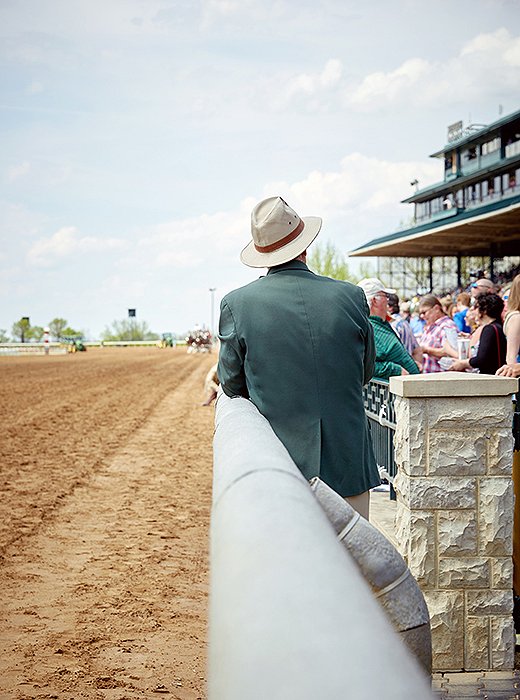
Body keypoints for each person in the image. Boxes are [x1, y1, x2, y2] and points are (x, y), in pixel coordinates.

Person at [218, 196, 380, 520]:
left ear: (262, 254)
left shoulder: (236, 304)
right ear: (305, 246)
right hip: (349, 462)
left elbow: (232, 385)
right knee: (357, 565)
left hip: (281, 463)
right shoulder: (351, 295)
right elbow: (366, 371)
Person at [357, 279, 420, 380]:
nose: (387, 300)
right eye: (385, 296)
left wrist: (410, 363)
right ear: (374, 300)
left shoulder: (378, 324)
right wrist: (394, 370)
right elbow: (361, 364)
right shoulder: (370, 327)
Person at [449, 293, 507, 375]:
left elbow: (481, 359)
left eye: (476, 307)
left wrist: (463, 363)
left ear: (484, 310)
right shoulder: (497, 326)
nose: (474, 311)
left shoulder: (489, 329)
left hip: (491, 378)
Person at [418, 294, 459, 373]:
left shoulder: (447, 326)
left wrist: (427, 350)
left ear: (436, 308)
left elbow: (452, 352)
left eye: (424, 312)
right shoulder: (432, 326)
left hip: (440, 378)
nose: (422, 316)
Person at [387, 293, 423, 368]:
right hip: (407, 369)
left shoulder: (391, 324)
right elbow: (417, 350)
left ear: (390, 307)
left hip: (397, 371)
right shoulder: (405, 323)